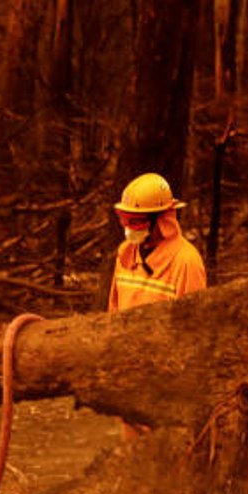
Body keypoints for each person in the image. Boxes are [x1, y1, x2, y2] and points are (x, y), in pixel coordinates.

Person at [108, 173, 206, 439]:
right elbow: (114, 313)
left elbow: (195, 332)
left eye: (136, 222)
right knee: (133, 452)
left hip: (166, 384)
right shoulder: (126, 254)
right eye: (125, 220)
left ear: (161, 220)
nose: (129, 229)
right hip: (130, 377)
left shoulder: (186, 262)